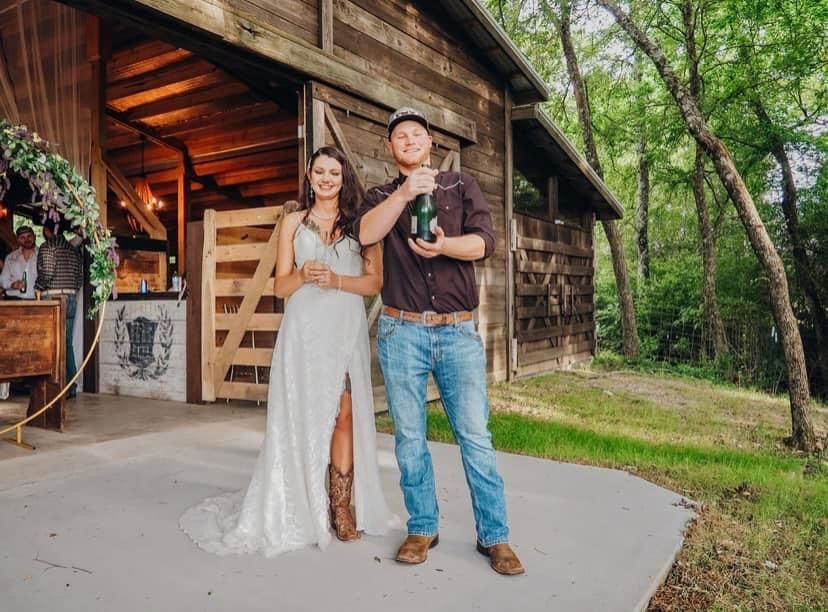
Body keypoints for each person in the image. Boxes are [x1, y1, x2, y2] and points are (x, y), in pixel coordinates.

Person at [180, 146, 397, 556]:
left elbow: (375, 283)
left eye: (335, 172)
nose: (327, 179)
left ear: (343, 176)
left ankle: (340, 508)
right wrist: (300, 274)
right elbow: (279, 287)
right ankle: (301, 500)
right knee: (302, 413)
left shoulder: (360, 225)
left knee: (343, 413)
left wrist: (336, 281)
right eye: (320, 172)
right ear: (310, 176)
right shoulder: (293, 224)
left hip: (343, 329)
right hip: (303, 331)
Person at [354, 107, 525, 575]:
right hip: (400, 330)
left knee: (475, 436)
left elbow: (484, 244)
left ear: (430, 143)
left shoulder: (460, 186)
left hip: (457, 332)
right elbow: (366, 232)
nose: (408, 140)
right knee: (410, 437)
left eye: (416, 133)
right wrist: (406, 192)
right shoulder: (381, 194)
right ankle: (422, 527)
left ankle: (495, 537)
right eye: (399, 136)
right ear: (391, 149)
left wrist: (444, 246)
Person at [34, 219, 83, 397]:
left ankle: (57, 386)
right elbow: (79, 277)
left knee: (53, 343)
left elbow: (46, 272)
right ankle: (71, 386)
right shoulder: (72, 249)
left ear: (47, 231)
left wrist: (38, 287)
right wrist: (71, 291)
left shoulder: (48, 247)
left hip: (53, 297)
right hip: (71, 297)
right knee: (67, 343)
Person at [0, 225, 38, 300]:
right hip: (13, 300)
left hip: (36, 300)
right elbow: (3, 279)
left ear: (35, 237)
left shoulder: (42, 255)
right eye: (22, 237)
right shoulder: (10, 257)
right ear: (18, 240)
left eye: (29, 236)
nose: (27, 240)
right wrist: (12, 285)